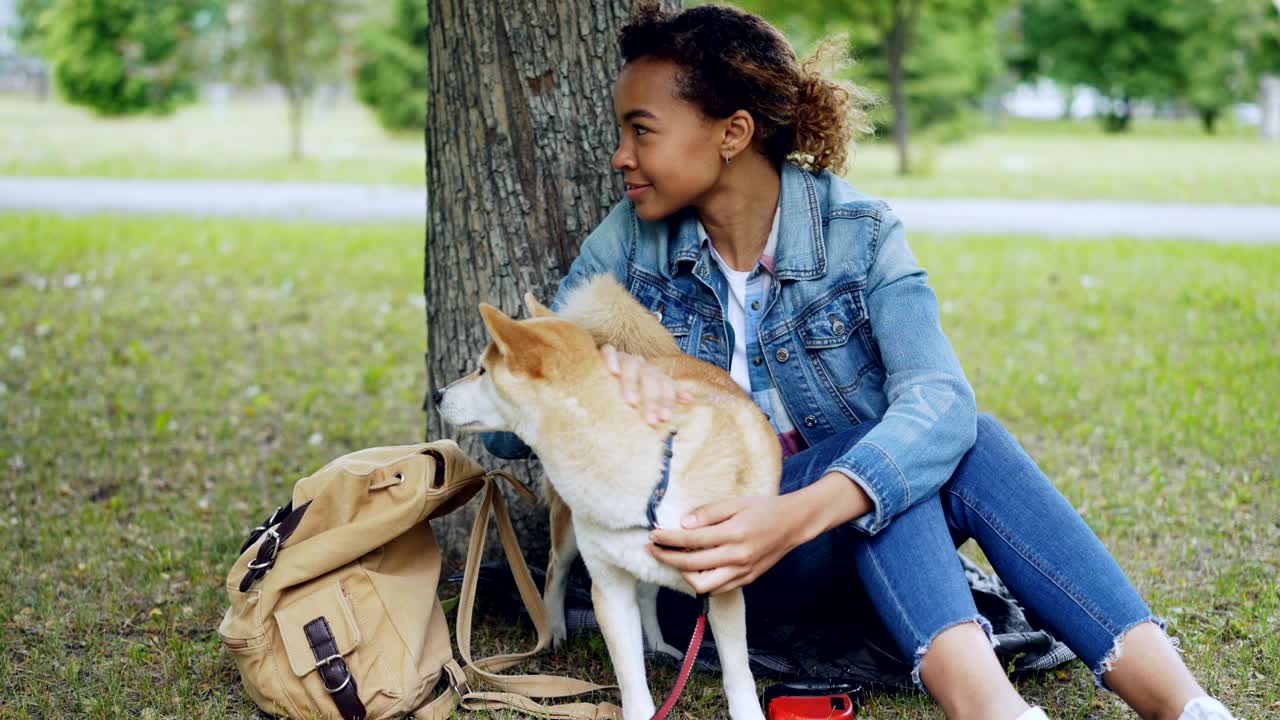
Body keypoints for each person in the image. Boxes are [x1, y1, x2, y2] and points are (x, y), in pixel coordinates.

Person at [480, 4, 1235, 719]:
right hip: (698, 567)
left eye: (641, 131)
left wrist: (796, 513)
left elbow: (940, 401)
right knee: (907, 450)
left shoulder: (860, 234)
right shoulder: (626, 243)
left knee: (956, 438)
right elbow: (507, 427)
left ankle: (1183, 705)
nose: (620, 156)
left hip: (835, 546)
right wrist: (596, 375)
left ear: (732, 132)